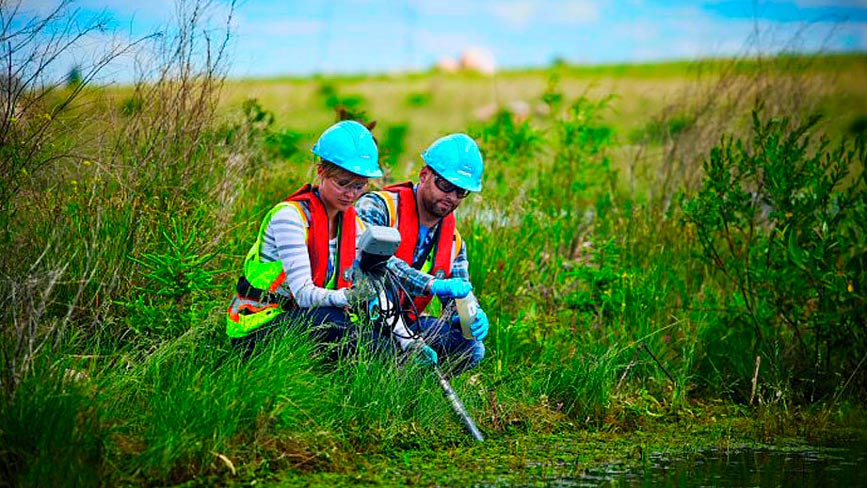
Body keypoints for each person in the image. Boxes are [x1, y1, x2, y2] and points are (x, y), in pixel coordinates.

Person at [226, 120, 384, 353]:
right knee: (334, 325)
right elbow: (303, 295)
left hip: (308, 317)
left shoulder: (355, 226)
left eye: (360, 186)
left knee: (377, 338)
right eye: (343, 183)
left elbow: (376, 286)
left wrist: (406, 339)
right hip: (259, 326)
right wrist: (350, 297)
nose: (351, 194)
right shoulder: (289, 217)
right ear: (321, 172)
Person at [354, 133, 489, 374]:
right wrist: (432, 285)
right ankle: (388, 368)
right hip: (362, 315)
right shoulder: (377, 206)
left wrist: (470, 313)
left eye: (461, 192)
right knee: (378, 346)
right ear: (424, 174)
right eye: (446, 186)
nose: (452, 197)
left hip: (409, 321)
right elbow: (376, 263)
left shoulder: (455, 242)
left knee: (472, 348)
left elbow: (458, 293)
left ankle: (413, 384)